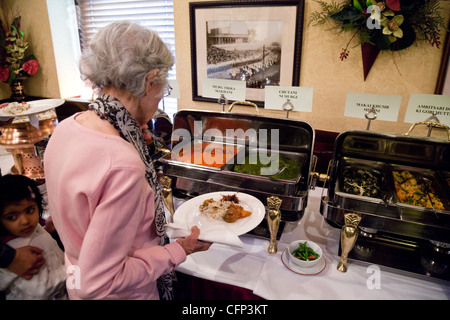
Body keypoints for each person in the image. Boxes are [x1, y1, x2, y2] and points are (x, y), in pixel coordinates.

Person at [44, 21, 211, 300]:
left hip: (74, 274)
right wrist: (178, 250)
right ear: (150, 81)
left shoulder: (67, 128)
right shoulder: (122, 163)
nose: (159, 99)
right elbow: (98, 282)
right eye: (163, 88)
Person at [0, 174, 67, 299]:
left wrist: (47, 230)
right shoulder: (16, 249)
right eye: (11, 217)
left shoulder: (30, 228)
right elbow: (40, 290)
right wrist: (75, 270)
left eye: (30, 210)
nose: (25, 221)